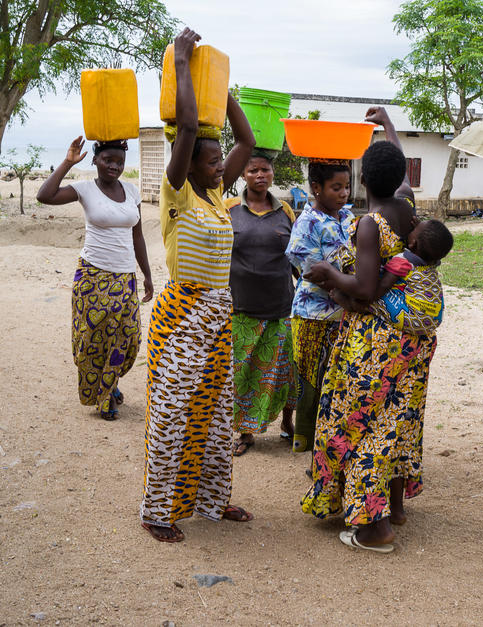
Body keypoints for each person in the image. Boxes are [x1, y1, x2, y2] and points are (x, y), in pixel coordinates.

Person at [301, 106, 438, 552]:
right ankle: (395, 504)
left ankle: (373, 524)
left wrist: (326, 274)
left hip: (373, 342)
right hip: (412, 344)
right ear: (400, 177)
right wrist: (389, 127)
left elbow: (362, 289)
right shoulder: (408, 209)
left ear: (361, 179)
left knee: (355, 421)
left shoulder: (369, 224)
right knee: (400, 417)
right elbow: (397, 168)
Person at [140, 27, 255, 543]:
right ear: (189, 163)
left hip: (217, 313)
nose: (221, 168)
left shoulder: (214, 197)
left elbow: (249, 142)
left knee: (211, 409)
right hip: (182, 312)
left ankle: (211, 500)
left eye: (218, 163)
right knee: (171, 412)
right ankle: (156, 510)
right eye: (212, 161)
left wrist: (223, 93)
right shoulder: (179, 194)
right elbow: (186, 126)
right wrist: (183, 64)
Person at [36, 136, 153, 421]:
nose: (114, 166)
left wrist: (147, 274)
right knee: (93, 339)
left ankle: (109, 383)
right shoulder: (85, 189)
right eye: (108, 160)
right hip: (92, 277)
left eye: (120, 162)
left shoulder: (132, 190)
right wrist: (67, 162)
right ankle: (105, 394)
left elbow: (137, 235)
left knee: (126, 338)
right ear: (95, 160)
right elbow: (44, 196)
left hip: (125, 278)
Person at [225, 152, 298, 456]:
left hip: (280, 306)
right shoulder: (229, 210)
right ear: (242, 174)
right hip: (241, 308)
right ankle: (246, 432)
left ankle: (287, 424)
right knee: (245, 373)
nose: (259, 175)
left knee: (283, 372)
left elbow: (297, 258)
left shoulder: (287, 213)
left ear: (272, 173)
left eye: (265, 169)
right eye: (252, 169)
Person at [284, 158, 353, 454]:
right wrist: (350, 287)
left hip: (344, 312)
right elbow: (313, 271)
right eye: (336, 187)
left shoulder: (347, 218)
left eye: (347, 187)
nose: (344, 193)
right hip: (314, 315)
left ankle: (331, 442)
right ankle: (307, 442)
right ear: (316, 188)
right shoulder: (307, 223)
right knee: (311, 380)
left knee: (337, 379)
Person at [334, 218, 453, 336]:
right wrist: (420, 230)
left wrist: (365, 300)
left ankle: (353, 305)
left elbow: (384, 285)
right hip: (433, 319)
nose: (412, 228)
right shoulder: (432, 262)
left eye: (415, 229)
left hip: (415, 319)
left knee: (374, 286)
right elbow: (428, 239)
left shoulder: (403, 261)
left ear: (413, 243)